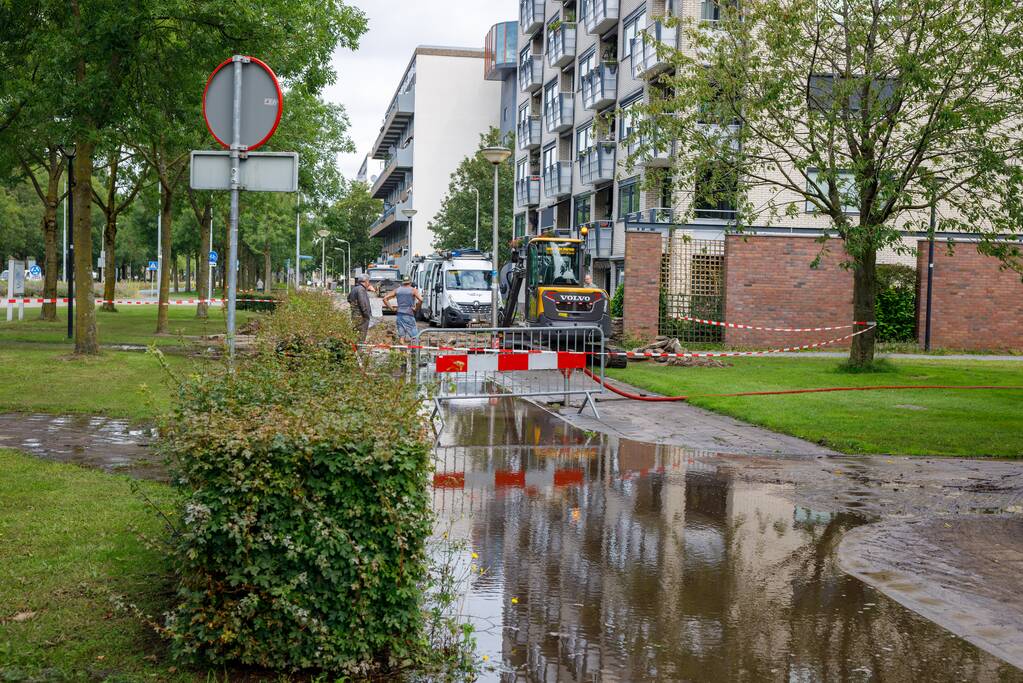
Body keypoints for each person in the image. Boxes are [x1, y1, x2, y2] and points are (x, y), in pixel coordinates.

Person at [383, 277, 422, 344]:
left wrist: (392, 309)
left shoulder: (397, 290)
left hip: (399, 315)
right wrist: (416, 308)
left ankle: (402, 350)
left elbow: (385, 299)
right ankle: (415, 350)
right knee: (415, 337)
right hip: (409, 315)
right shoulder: (413, 290)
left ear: (402, 282)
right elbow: (421, 300)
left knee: (402, 337)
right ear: (410, 282)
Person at [347, 274, 373, 342]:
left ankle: (355, 347)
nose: (369, 283)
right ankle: (360, 348)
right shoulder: (361, 289)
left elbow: (348, 298)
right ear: (366, 281)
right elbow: (363, 303)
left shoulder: (355, 288)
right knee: (361, 335)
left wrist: (354, 306)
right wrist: (366, 315)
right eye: (368, 281)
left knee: (355, 334)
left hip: (355, 315)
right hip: (361, 316)